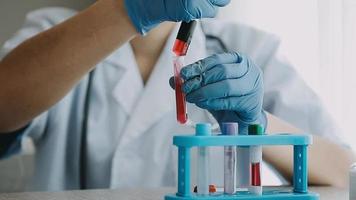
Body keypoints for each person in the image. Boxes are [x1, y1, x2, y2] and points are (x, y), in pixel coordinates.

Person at [0, 0, 354, 191]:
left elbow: (343, 172)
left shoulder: (249, 48)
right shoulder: (53, 33)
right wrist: (125, 11)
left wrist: (257, 123)